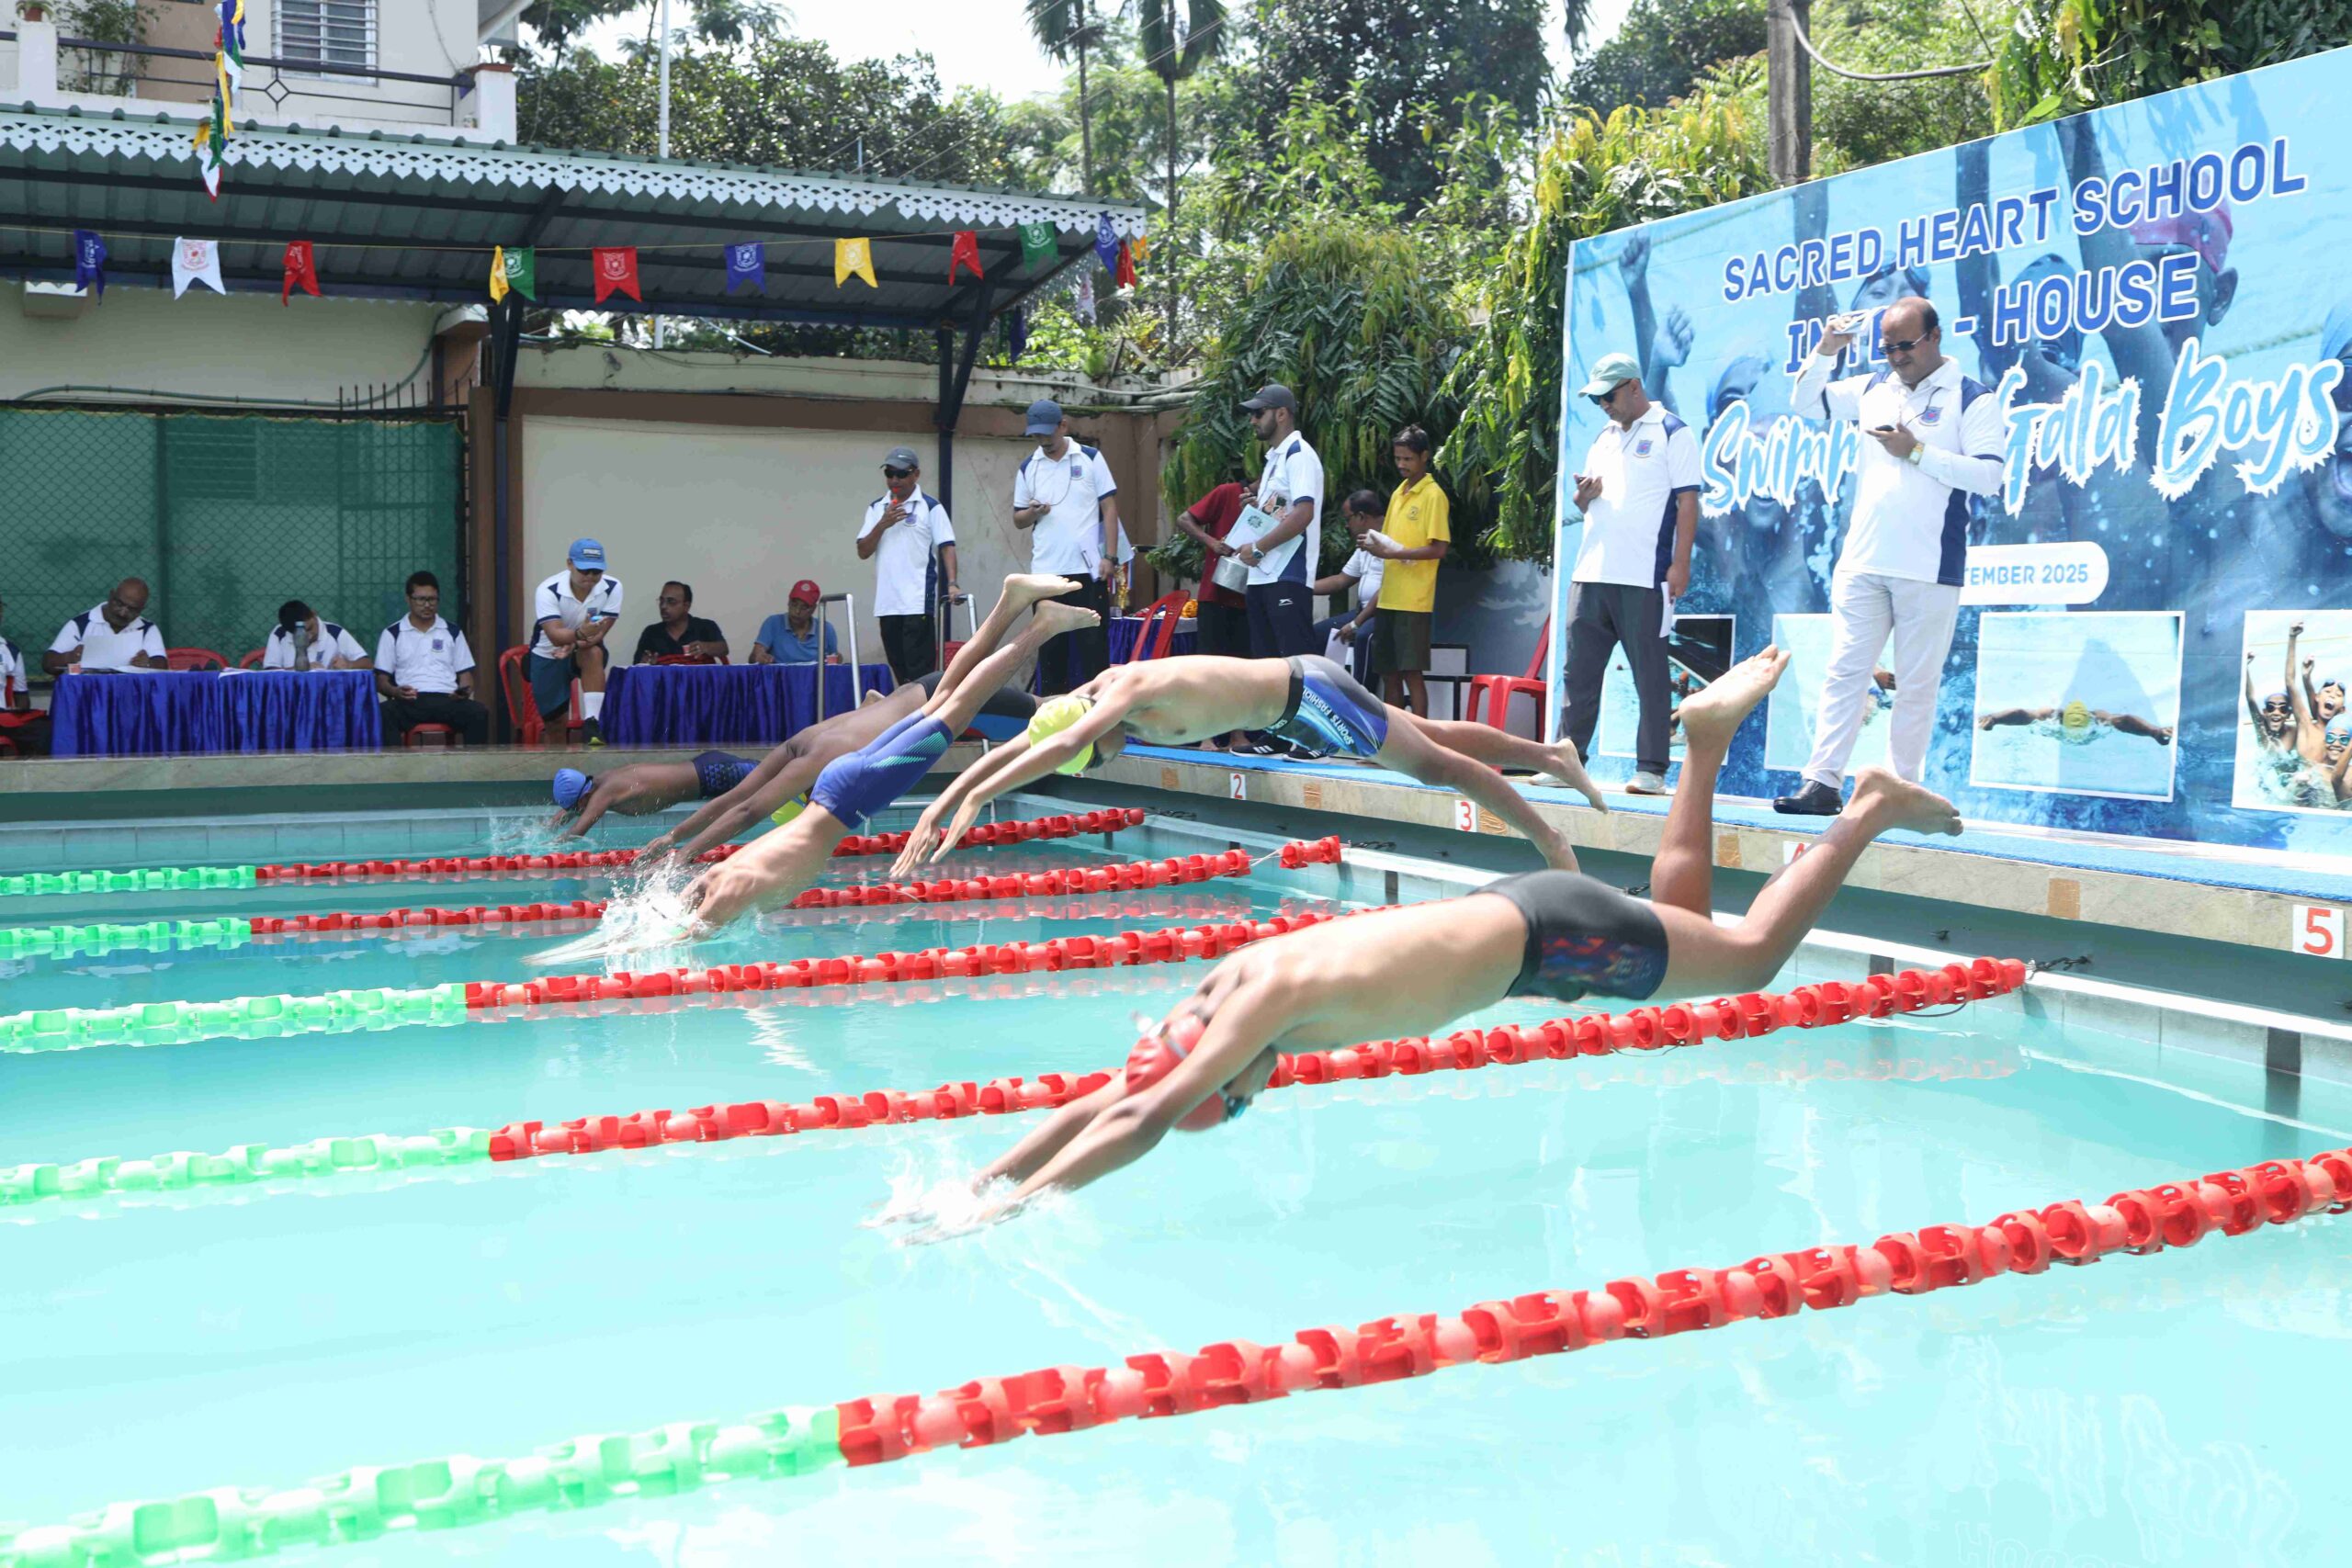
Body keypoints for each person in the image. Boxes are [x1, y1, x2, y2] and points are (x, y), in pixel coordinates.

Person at [891, 649, 1962, 1230]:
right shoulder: (1231, 982)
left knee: (1750, 962)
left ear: (1237, 1072)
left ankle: (1861, 809)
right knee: (1684, 941)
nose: (1258, 1093)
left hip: (1551, 939)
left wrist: (1011, 1212)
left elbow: (1147, 1112)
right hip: (1540, 925)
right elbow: (1119, 1092)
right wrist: (972, 1184)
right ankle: (1704, 749)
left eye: (1245, 1097)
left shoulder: (1252, 1009)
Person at [890, 650, 1608, 880]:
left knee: (1434, 767)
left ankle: (1550, 839)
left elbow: (1044, 749)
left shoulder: (1123, 695)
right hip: (1294, 710)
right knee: (1425, 734)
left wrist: (973, 802)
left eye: (1093, 754)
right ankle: (1551, 754)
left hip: (1308, 695)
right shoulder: (1085, 703)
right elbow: (1027, 742)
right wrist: (945, 800)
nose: (1105, 759)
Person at [679, 575, 1097, 933]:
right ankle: (1016, 606)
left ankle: (1040, 626)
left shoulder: (728, 892)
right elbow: (708, 872)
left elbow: (689, 935)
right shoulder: (720, 876)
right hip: (842, 783)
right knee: (950, 696)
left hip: (856, 795)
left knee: (961, 703)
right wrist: (680, 859)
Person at [1774, 297, 2004, 815]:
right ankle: (1822, 782)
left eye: (1905, 345)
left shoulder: (1973, 398)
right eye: (1887, 347)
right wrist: (1827, 351)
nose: (1896, 356)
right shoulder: (1873, 387)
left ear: (1935, 337)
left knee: (1916, 685)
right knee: (1844, 672)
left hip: (1929, 566)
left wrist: (1917, 451)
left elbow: (1990, 476)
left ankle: (1899, 791)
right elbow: (1805, 403)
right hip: (1863, 559)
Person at [638, 601, 1051, 866]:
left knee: (1045, 710)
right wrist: (673, 837)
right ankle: (1025, 612)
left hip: (935, 704)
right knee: (1017, 694)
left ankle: (1040, 623)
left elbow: (748, 810)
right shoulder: (805, 739)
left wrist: (684, 856)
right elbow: (737, 796)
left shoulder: (815, 759)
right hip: (921, 692)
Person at [1561, 352, 1701, 796]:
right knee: (1577, 673)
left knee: (1651, 676)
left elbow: (1687, 502)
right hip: (1590, 572)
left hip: (1645, 576)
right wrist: (1584, 497)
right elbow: (1584, 506)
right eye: (1596, 398)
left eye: (1609, 395)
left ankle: (1652, 770)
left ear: (1634, 387)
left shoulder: (1672, 432)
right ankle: (1569, 761)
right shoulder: (1602, 436)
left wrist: (1680, 564)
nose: (1603, 404)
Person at [1012, 399, 1120, 694]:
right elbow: (1018, 519)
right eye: (1036, 435)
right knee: (1050, 654)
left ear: (1063, 426)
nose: (1043, 440)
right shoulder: (1029, 467)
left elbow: (1109, 508)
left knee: (1093, 652)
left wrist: (1110, 556)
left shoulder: (1090, 458)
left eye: (1047, 432)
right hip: (1045, 576)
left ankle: (1098, 722)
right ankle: (1052, 724)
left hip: (1087, 570)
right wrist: (1033, 512)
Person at [1233, 385, 1325, 676]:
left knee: (1299, 670)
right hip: (1262, 575)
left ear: (1282, 414)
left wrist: (1259, 547)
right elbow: (1283, 510)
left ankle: (1307, 723)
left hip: (1288, 575)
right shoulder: (1276, 457)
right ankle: (1268, 725)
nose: (1253, 420)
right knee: (1266, 672)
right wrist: (1256, 509)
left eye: (1259, 413)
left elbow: (1303, 513)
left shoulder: (1299, 455)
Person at [1365, 424, 1452, 717]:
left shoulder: (1433, 495)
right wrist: (1375, 544)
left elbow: (1438, 549)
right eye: (1398, 458)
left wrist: (1395, 552)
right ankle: (1395, 744)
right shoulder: (1397, 493)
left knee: (1411, 672)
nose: (1401, 465)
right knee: (1389, 673)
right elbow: (1390, 543)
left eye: (1408, 459)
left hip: (1413, 602)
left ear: (1425, 456)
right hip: (1389, 597)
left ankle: (1420, 744)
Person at [858, 445, 959, 683]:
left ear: (916, 474)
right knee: (901, 674)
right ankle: (907, 718)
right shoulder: (876, 509)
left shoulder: (930, 506)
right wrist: (882, 525)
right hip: (887, 603)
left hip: (917, 601)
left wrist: (953, 583)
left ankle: (922, 719)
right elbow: (863, 551)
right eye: (889, 473)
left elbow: (947, 546)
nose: (895, 479)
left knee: (920, 674)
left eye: (902, 474)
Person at [376, 570, 490, 746]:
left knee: (478, 712)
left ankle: (472, 770)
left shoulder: (452, 632)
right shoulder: (393, 633)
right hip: (410, 700)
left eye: (432, 599)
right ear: (408, 599)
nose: (427, 605)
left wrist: (463, 692)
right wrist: (395, 692)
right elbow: (381, 680)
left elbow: (466, 675)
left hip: (447, 699)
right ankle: (396, 770)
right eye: (421, 599)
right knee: (382, 712)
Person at [527, 538, 623, 746]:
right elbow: (554, 635)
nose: (590, 577)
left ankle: (592, 722)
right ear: (569, 564)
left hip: (583, 647)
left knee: (594, 653)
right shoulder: (548, 589)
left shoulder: (613, 587)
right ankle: (556, 775)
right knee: (554, 725)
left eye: (596, 572)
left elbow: (599, 635)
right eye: (584, 570)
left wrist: (576, 643)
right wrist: (579, 635)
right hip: (548, 654)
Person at [549, 750, 758, 839]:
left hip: (715, 774)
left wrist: (545, 848)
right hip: (707, 768)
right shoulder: (597, 783)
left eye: (577, 807)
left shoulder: (604, 793)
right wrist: (547, 827)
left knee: (781, 774)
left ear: (584, 797)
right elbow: (569, 811)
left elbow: (578, 832)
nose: (577, 811)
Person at [1309, 491, 1391, 688]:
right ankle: (1322, 695)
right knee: (1316, 634)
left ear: (1361, 516)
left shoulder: (1390, 540)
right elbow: (1342, 580)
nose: (1346, 525)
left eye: (1348, 519)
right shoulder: (1366, 541)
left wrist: (1356, 623)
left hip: (1383, 611)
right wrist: (1302, 588)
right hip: (1362, 611)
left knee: (1363, 637)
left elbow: (1389, 587)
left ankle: (1362, 700)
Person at [43, 579, 164, 673]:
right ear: (111, 596)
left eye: (132, 609)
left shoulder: (148, 629)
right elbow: (48, 664)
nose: (123, 612)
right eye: (119, 604)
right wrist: (70, 657)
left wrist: (148, 664)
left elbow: (162, 665)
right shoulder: (81, 624)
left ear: (142, 610)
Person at [1977, 700, 2173, 747]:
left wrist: (2154, 732)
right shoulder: (2051, 718)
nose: (2078, 735)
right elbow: (2023, 715)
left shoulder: (2099, 719)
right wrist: (1994, 719)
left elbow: (2125, 720)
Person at [0, 596, 51, 756]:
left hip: (2, 716)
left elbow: (21, 697)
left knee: (42, 729)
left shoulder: (9, 650)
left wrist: (19, 709)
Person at [631, 582, 728, 664]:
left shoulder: (706, 627)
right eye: (661, 601)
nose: (663, 606)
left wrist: (706, 647)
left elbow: (724, 649)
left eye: (671, 601)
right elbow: (636, 665)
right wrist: (645, 664)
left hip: (699, 684)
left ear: (686, 606)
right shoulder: (651, 632)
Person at [261, 602, 369, 671]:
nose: (308, 637)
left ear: (313, 614)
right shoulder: (279, 633)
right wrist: (301, 669)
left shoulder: (334, 632)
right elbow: (270, 671)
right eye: (299, 634)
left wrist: (349, 665)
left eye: (309, 629)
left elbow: (367, 664)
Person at [751, 581, 839, 665]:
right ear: (788, 602)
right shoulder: (773, 623)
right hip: (780, 679)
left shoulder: (825, 629)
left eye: (804, 607)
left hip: (814, 680)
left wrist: (838, 659)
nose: (797, 611)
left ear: (813, 609)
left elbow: (834, 662)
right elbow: (754, 658)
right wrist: (759, 657)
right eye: (794, 604)